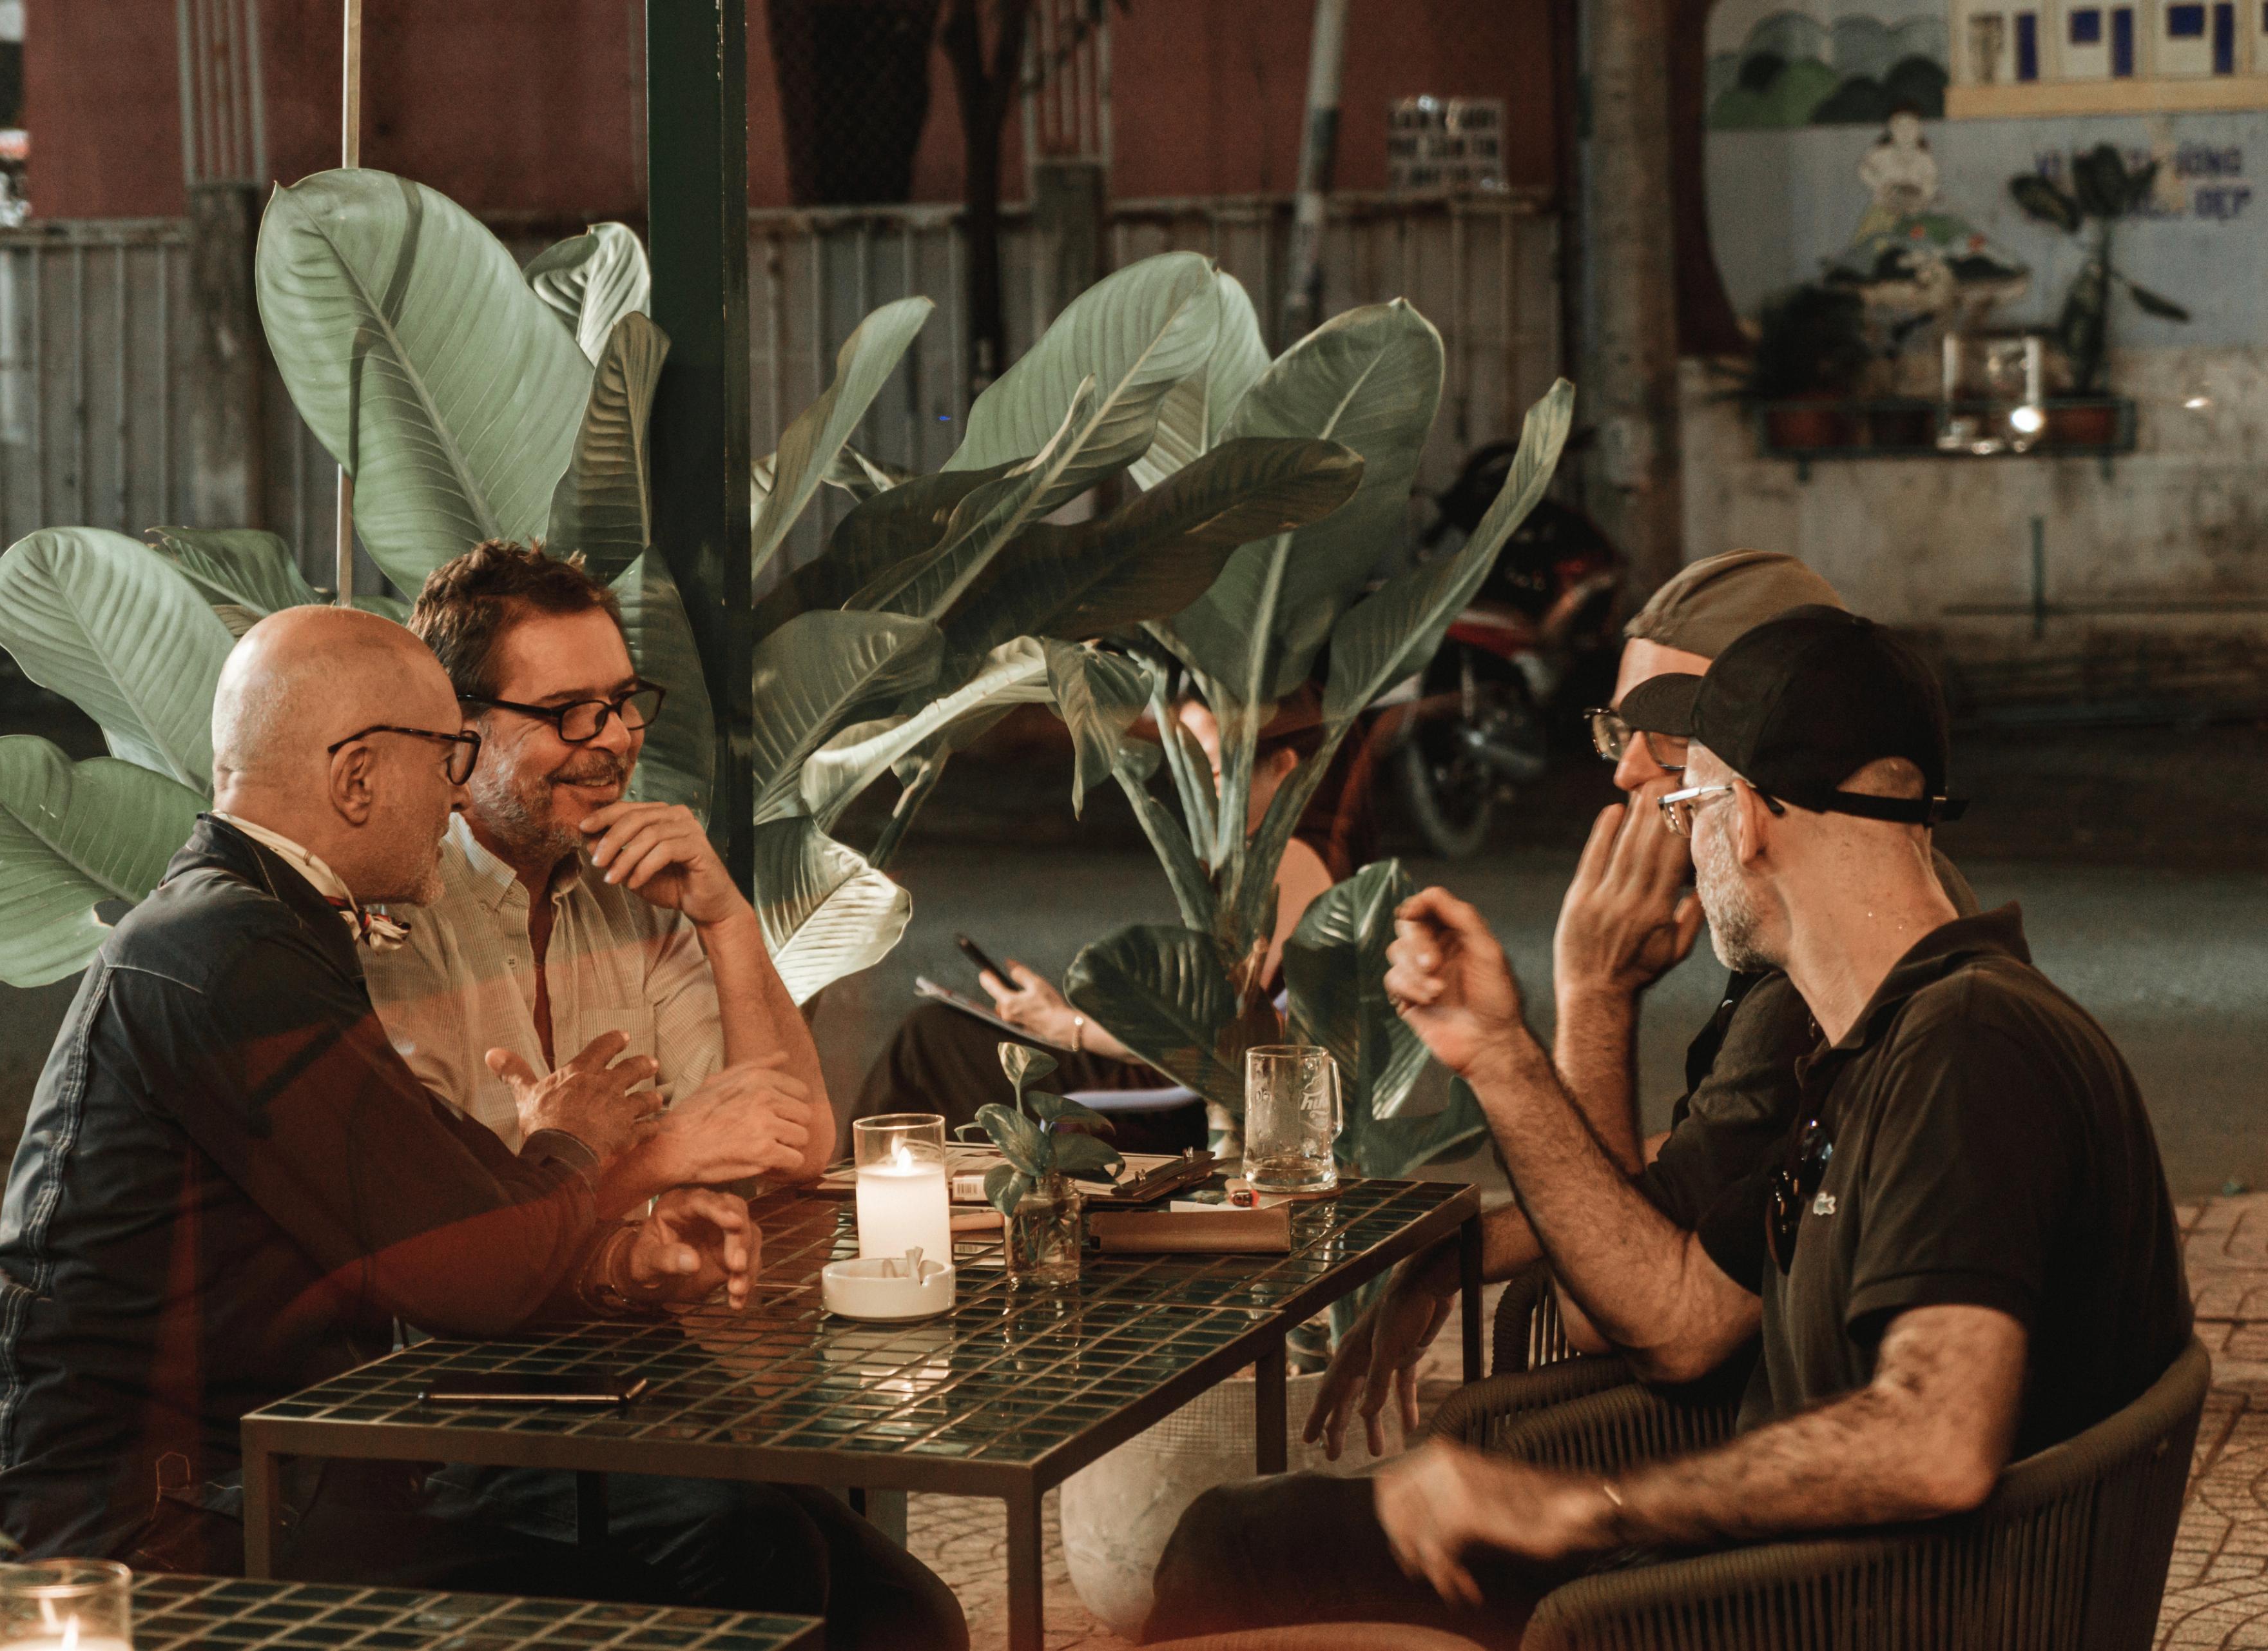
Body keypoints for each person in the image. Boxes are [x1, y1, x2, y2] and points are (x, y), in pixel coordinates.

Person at [1144, 606, 2189, 1647]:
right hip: (1763, 1578)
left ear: (1748, 818)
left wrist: (1585, 1506)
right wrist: (1500, 1054)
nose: (1678, 837)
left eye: (1686, 799)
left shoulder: (1968, 1049)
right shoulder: (1874, 1044)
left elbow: (1932, 1440)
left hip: (1823, 1611)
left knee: (1237, 1566)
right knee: (1239, 1539)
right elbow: (1683, 1310)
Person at [0, 607, 965, 1651]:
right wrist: (639, 1151)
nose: (456, 788)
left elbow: (445, 1202)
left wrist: (611, 1247)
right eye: (447, 756)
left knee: (895, 1608)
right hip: (142, 1514)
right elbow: (467, 1264)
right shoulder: (227, 953)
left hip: (292, 1460)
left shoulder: (275, 928)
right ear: (356, 777)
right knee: (744, 1555)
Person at [1308, 549, 1977, 1456]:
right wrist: (1445, 1262)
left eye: (1671, 734)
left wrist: (1593, 994)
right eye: (1617, 729)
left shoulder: (1840, 968)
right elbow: (1700, 1170)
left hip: (1731, 1453)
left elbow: (1615, 1311)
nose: (1629, 773)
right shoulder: (1838, 930)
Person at [365, 541, 834, 1203]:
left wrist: (727, 922)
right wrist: (668, 1154)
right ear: (458, 733)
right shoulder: (396, 911)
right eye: (569, 712)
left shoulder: (637, 887)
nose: (616, 738)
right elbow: (442, 1228)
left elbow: (796, 1147)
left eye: (621, 700)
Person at [852, 685, 1372, 1155]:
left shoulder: (1291, 861)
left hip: (1172, 1097)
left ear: (1284, 766)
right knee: (941, 1035)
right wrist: (1056, 1016)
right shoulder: (1285, 851)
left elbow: (1217, 1037)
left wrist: (1068, 1026)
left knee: (930, 1044)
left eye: (1212, 772)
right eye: (1185, 772)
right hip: (1148, 1065)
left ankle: (844, 1215)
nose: (1197, 793)